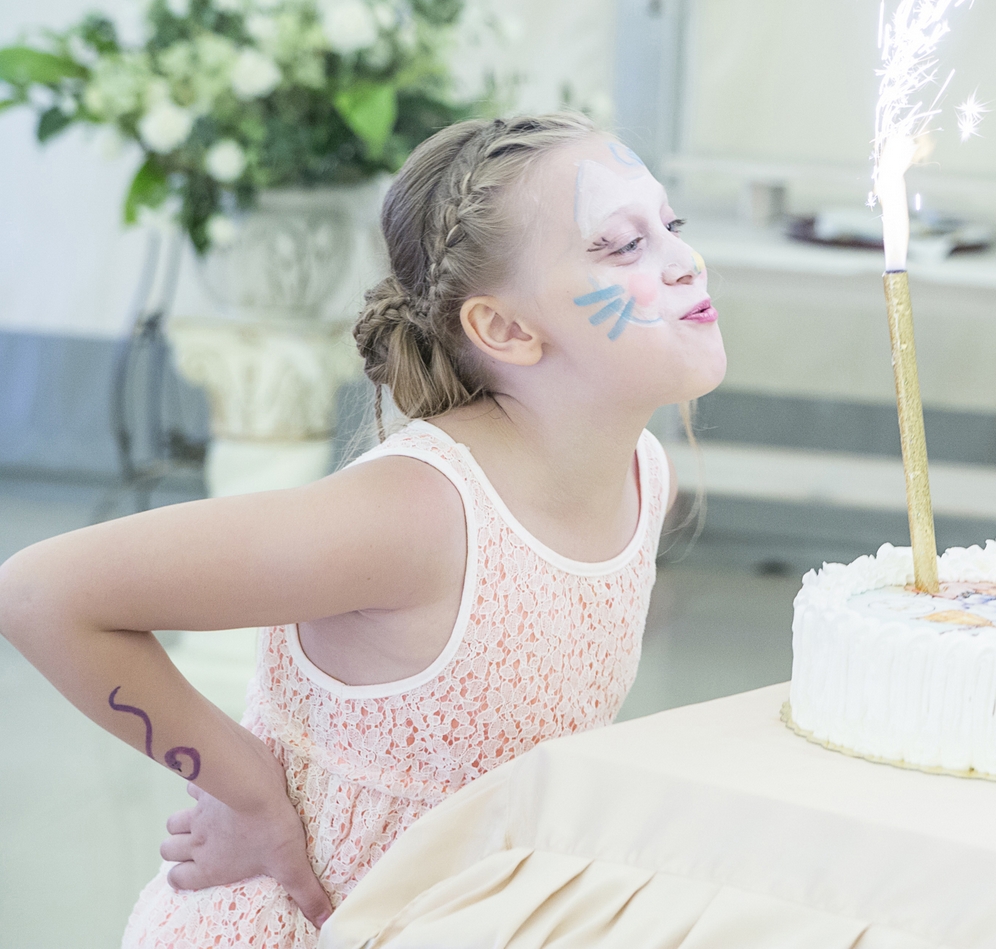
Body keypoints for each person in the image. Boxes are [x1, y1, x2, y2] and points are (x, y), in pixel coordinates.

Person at [0, 112, 726, 947]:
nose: (683, 262)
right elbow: (39, 592)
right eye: (621, 245)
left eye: (670, 226)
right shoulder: (417, 515)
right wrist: (248, 790)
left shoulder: (644, 473)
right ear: (506, 329)